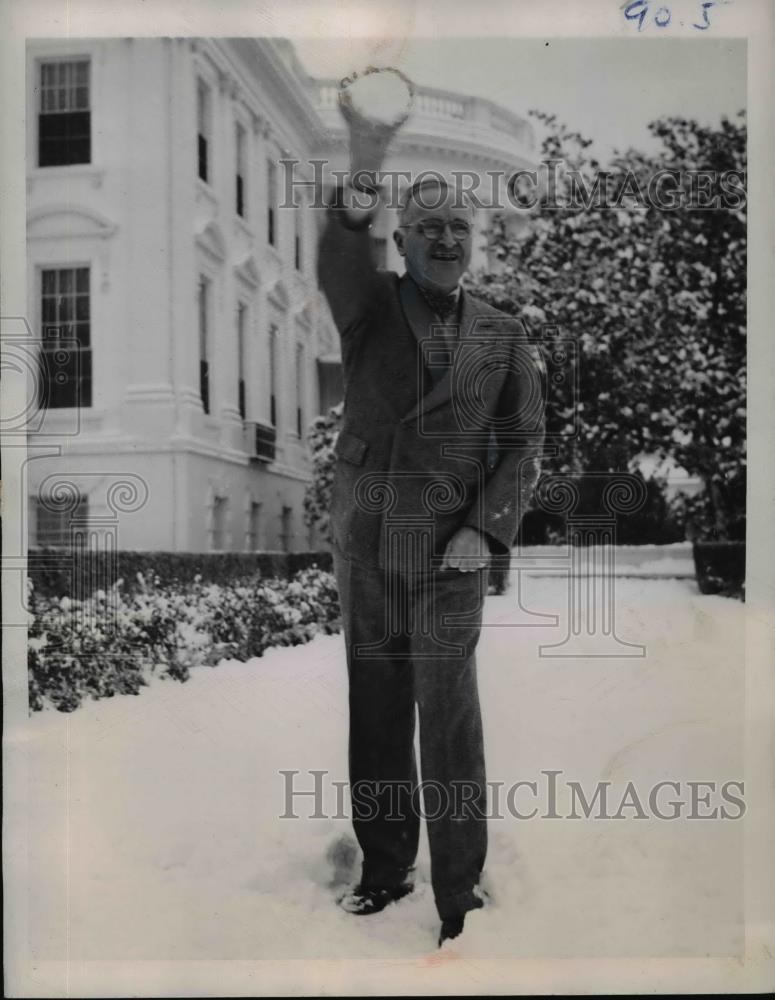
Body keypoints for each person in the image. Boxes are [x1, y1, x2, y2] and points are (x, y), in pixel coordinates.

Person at [317, 82, 546, 947]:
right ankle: (384, 869)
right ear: (403, 243)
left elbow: (522, 444)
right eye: (430, 228)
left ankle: (459, 890)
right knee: (375, 705)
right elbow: (341, 252)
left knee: (448, 713)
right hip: (371, 538)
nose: (447, 239)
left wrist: (482, 532)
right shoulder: (369, 306)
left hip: (451, 548)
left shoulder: (503, 333)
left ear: (472, 242)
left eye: (460, 227)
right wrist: (367, 159)